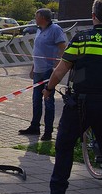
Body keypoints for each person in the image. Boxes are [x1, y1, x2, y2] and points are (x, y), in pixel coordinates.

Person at [39, 0, 102, 194]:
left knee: (64, 147)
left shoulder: (82, 39)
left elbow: (61, 69)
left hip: (81, 105)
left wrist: (48, 89)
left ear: (93, 16)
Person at [18, 8, 67, 141]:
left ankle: (48, 132)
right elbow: (37, 50)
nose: (34, 18)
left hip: (48, 71)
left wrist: (56, 68)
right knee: (36, 100)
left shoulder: (55, 30)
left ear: (43, 18)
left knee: (48, 101)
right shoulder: (39, 29)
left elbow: (63, 48)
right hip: (38, 71)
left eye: (36, 16)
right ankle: (34, 127)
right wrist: (33, 68)